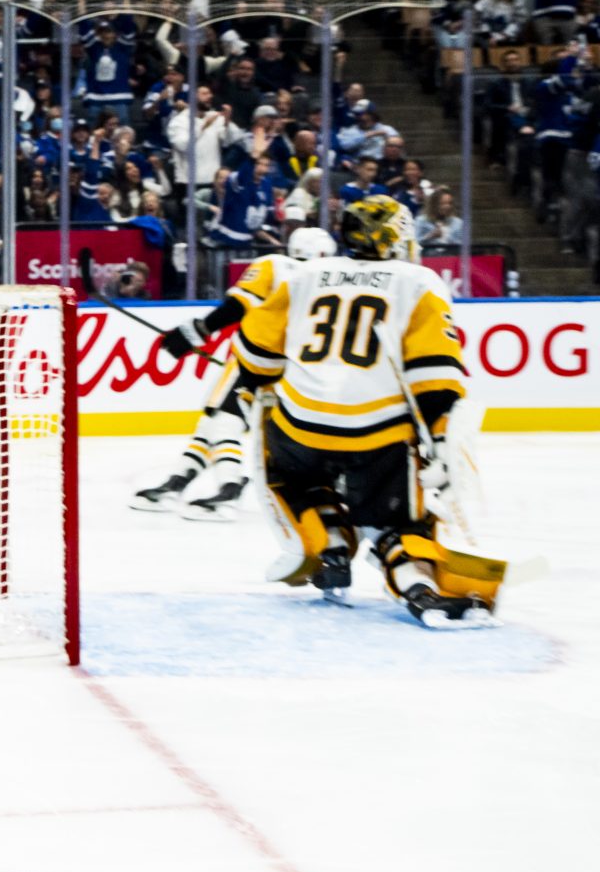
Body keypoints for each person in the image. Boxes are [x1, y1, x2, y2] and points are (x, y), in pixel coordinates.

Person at [231, 196, 504, 624]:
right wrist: (440, 439)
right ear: (394, 240)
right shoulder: (419, 281)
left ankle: (333, 545)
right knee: (400, 524)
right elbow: (433, 379)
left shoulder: (305, 275)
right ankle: (419, 589)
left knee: (292, 476)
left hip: (300, 426)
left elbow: (254, 356)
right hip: (379, 434)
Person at [133, 224, 334, 520]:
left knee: (224, 421)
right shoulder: (328, 281)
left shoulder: (275, 264)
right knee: (214, 422)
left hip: (254, 361)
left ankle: (229, 489)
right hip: (298, 372)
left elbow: (238, 305)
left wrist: (196, 332)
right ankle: (178, 481)